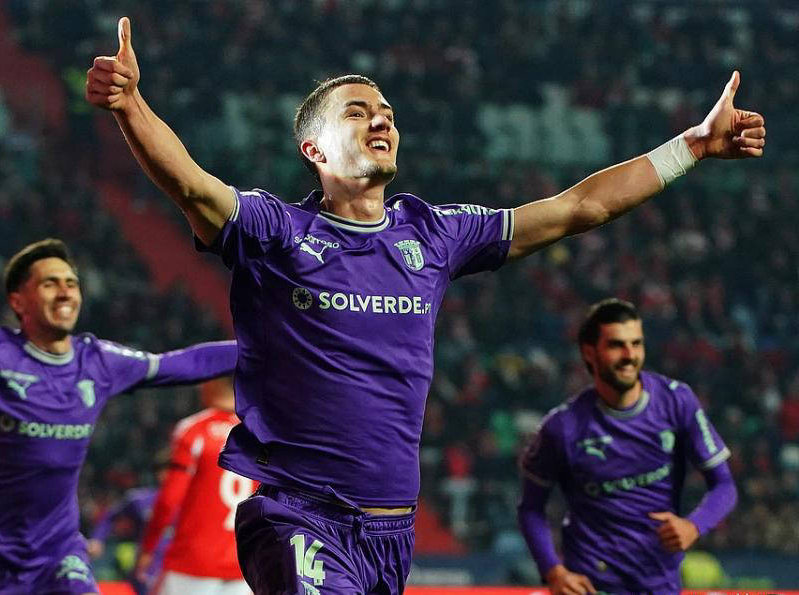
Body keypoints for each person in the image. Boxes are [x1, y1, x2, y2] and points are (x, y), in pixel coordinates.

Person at [85, 17, 764, 593]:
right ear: (313, 148)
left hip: (392, 532)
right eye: (357, 111)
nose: (380, 118)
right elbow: (193, 187)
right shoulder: (278, 232)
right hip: (300, 518)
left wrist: (692, 147)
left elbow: (577, 207)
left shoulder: (434, 234)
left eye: (385, 111)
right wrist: (130, 106)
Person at [0, 238, 238, 595]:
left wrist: (257, 344)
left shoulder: (98, 362)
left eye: (72, 283)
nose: (66, 291)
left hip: (59, 554)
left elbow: (181, 364)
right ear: (18, 301)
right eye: (51, 283)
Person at [517, 299, 738, 595]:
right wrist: (553, 571)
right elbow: (531, 508)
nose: (629, 355)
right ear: (589, 352)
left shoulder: (677, 401)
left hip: (659, 584)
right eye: (616, 345)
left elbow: (724, 485)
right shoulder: (562, 427)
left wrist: (694, 526)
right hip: (592, 584)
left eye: (636, 344)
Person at [137, 376, 254, 595]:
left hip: (192, 563)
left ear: (211, 383)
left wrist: (148, 548)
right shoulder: (257, 435)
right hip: (241, 565)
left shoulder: (194, 430)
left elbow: (169, 500)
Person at [87, 452, 170, 595]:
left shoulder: (192, 502)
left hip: (177, 568)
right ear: (157, 473)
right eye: (164, 470)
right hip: (145, 569)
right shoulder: (140, 500)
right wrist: (97, 539)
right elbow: (110, 516)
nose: (168, 475)